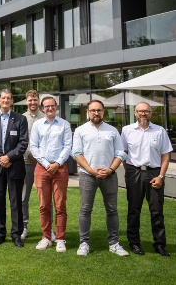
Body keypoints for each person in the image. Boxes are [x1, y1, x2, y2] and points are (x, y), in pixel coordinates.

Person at [71, 99, 128, 257]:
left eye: (99, 110)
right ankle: (84, 243)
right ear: (88, 112)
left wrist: (110, 170)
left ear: (104, 112)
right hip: (87, 175)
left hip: (109, 176)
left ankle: (114, 243)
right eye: (93, 110)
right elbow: (76, 153)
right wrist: (91, 170)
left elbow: (120, 153)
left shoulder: (112, 130)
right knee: (85, 209)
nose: (96, 113)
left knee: (112, 210)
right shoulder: (81, 130)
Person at [121, 102, 173, 257]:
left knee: (157, 211)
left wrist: (161, 176)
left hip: (154, 174)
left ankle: (159, 244)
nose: (143, 114)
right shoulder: (127, 130)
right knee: (133, 210)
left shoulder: (160, 131)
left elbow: (166, 155)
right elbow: (123, 153)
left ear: (151, 113)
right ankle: (134, 243)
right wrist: (129, 171)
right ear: (135, 113)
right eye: (140, 111)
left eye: (146, 111)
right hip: (134, 172)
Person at [0, 89, 29, 247]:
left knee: (16, 202)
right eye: (3, 98)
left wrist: (9, 157)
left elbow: (23, 143)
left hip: (15, 166)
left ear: (12, 101)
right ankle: (0, 233)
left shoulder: (20, 119)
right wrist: (0, 158)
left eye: (9, 98)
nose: (6, 100)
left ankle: (16, 234)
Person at [30, 96, 72, 252]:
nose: (49, 108)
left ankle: (60, 238)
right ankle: (46, 237)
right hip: (42, 168)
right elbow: (34, 147)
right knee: (44, 205)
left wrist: (57, 163)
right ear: (42, 108)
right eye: (46, 106)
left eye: (52, 106)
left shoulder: (64, 125)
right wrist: (47, 164)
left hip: (60, 168)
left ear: (56, 107)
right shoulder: (37, 125)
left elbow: (68, 146)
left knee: (60, 205)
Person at [21, 89, 43, 240]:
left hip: (44, 163)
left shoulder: (46, 117)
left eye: (35, 100)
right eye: (30, 100)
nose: (33, 102)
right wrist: (28, 154)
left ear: (39, 101)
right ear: (26, 101)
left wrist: (40, 157)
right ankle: (23, 226)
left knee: (46, 197)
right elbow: (20, 140)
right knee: (23, 197)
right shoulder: (21, 118)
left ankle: (48, 229)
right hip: (25, 162)